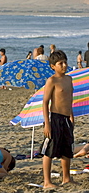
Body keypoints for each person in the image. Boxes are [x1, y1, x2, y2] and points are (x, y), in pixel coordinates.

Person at [41, 50, 74, 189]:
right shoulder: (52, 80)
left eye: (65, 62)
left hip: (67, 118)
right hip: (55, 118)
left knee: (67, 149)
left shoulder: (69, 79)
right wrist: (47, 124)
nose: (64, 65)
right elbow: (45, 102)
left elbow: (69, 99)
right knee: (49, 150)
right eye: (61, 63)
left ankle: (66, 178)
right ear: (53, 66)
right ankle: (46, 181)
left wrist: (72, 116)